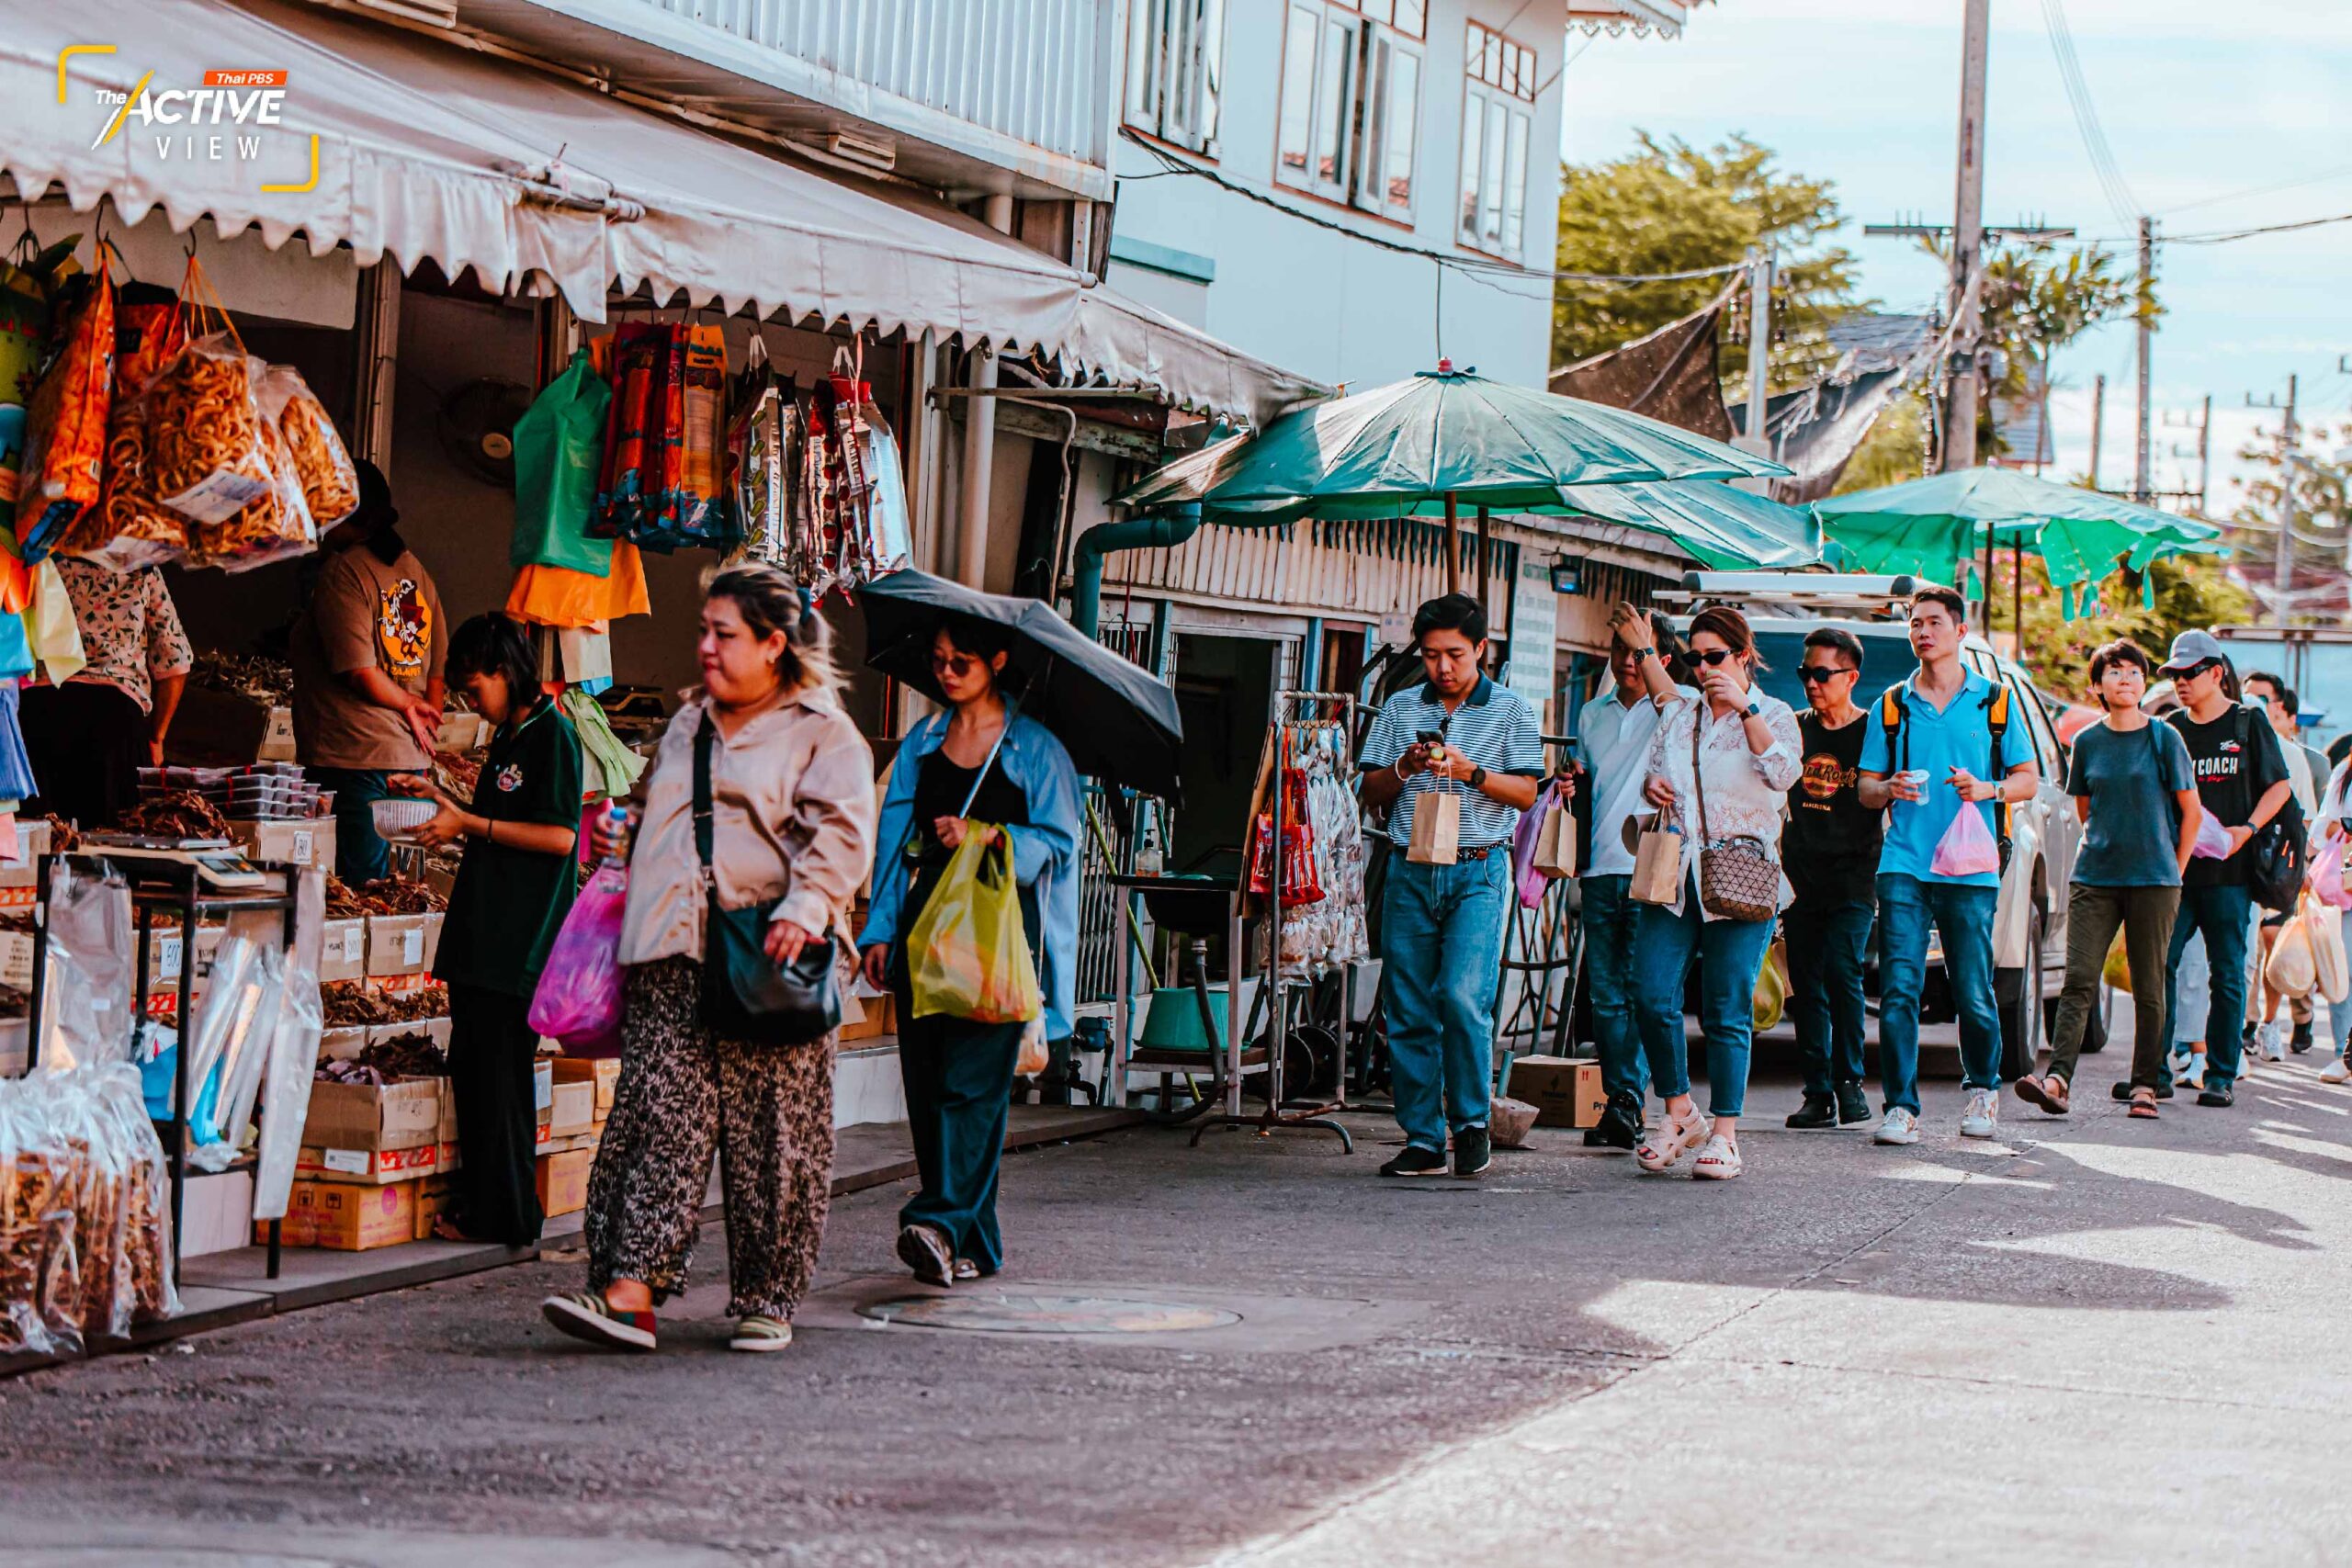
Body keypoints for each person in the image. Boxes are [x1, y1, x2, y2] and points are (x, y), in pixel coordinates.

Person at [544, 567, 876, 1355]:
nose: (706, 647)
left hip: (768, 950)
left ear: (774, 644)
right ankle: (630, 1290)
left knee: (776, 1136)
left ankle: (768, 1294)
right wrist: (623, 838)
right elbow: (664, 806)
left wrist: (805, 905)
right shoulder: (689, 723)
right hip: (670, 948)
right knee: (659, 1114)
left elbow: (843, 832)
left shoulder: (822, 732)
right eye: (705, 630)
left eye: (724, 634)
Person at [857, 615, 1081, 1288]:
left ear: (999, 661)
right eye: (940, 660)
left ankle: (936, 1219)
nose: (947, 672)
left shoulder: (1036, 750)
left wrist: (986, 835)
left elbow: (1060, 843)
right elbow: (895, 843)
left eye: (963, 661)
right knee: (929, 1095)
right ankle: (973, 1241)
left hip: (1001, 941)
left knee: (972, 1090)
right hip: (927, 938)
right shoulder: (923, 744)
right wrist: (878, 928)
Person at [392, 614, 581, 1246]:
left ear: (505, 672)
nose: (473, 700)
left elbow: (560, 837)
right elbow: (490, 816)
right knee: (475, 1073)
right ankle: (490, 1208)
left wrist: (468, 826)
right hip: (481, 940)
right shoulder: (509, 734)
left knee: (501, 1082)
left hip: (518, 946)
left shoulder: (552, 736)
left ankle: (509, 1216)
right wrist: (439, 794)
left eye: (475, 686)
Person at [1359, 593, 1544, 1179]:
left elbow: (1527, 793)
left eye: (1456, 655)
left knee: (1463, 997)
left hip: (1479, 868)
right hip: (1410, 867)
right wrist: (1406, 768)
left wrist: (1471, 772)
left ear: (1481, 650)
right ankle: (1421, 1136)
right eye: (1433, 654)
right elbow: (1370, 790)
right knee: (1408, 1004)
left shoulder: (1512, 710)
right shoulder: (1399, 707)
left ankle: (1471, 1124)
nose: (1443, 667)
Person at [1856, 585, 2039, 1145]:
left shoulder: (1995, 700)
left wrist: (1987, 788)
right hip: (1905, 861)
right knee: (1900, 988)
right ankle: (1901, 1107)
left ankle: (1982, 1090)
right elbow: (1864, 789)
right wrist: (1888, 788)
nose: (1922, 632)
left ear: (1961, 631)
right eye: (1915, 623)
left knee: (1972, 988)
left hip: (1970, 864)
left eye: (1934, 622)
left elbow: (2028, 780)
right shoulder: (1892, 704)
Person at [1627, 605, 1801, 1181]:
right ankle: (1679, 1111)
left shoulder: (1775, 713)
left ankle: (1725, 1133)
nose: (1702, 668)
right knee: (1649, 993)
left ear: (1743, 655)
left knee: (1727, 1010)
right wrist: (1653, 788)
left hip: (1743, 878)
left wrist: (1747, 708)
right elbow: (1656, 775)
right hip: (1676, 877)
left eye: (1714, 657)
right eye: (1693, 659)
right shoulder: (1680, 717)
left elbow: (1782, 775)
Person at [2014, 640, 2199, 1121]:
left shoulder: (2165, 738)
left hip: (2155, 881)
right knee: (2079, 980)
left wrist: (2173, 872)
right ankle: (2057, 1080)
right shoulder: (2089, 742)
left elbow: (2191, 812)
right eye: (2115, 672)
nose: (2127, 680)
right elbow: (2085, 809)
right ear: (2097, 685)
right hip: (2094, 877)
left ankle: (2145, 1086)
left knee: (2149, 985)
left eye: (2134, 673)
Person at [1572, 604, 1696, 1150]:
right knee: (1604, 995)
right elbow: (1588, 780)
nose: (1626, 660)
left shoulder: (1677, 709)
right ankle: (1623, 1098)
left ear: (1660, 658)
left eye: (1637, 650)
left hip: (1654, 865)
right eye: (1619, 649)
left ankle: (1625, 1098)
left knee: (1642, 990)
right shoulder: (1592, 714)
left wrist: (1647, 651)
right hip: (1599, 865)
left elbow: (1681, 706)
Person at [289, 459, 447, 886]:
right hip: (406, 762)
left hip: (353, 759)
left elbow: (360, 671)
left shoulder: (344, 572)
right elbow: (437, 674)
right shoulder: (417, 573)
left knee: (358, 890)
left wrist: (409, 704)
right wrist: (424, 731)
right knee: (388, 893)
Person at [2157, 631, 2292, 1109]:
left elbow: (2279, 788)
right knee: (2160, 967)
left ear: (2216, 673)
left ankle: (2220, 1074)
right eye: (2175, 675)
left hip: (2231, 877)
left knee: (2228, 974)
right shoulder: (2171, 728)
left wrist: (2246, 830)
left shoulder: (2248, 721)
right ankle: (2155, 1071)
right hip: (2176, 874)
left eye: (2190, 673)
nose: (2181, 683)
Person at [1781, 627, 1883, 1131]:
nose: (1812, 683)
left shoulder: (1874, 732)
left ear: (1851, 677)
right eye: (1806, 673)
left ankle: (1850, 1082)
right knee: (1806, 984)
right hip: (1800, 876)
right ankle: (1817, 1092)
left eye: (1822, 673)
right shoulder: (1793, 729)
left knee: (1844, 971)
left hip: (1855, 874)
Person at [19, 558, 191, 828]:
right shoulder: (142, 569)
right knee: (112, 846)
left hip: (41, 715)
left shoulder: (41, 561)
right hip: (116, 722)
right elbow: (175, 662)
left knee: (38, 841)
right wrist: (157, 738)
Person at [2243, 671, 2326, 1059]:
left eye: (2261, 698)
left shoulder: (2292, 755)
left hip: (2276, 870)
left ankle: (2270, 1023)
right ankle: (2240, 1028)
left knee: (2275, 947)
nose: (2252, 703)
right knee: (2241, 955)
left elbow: (2306, 818)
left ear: (2278, 706)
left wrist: (2293, 866)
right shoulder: (2232, 746)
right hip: (2235, 867)